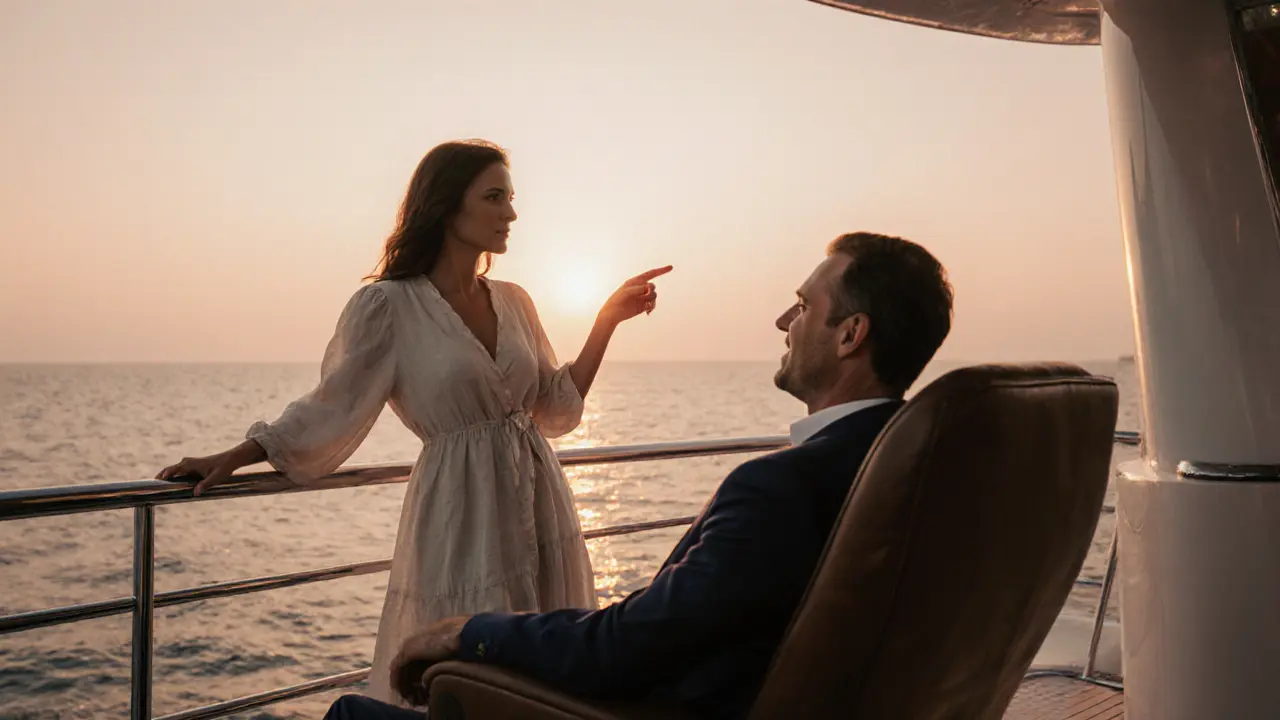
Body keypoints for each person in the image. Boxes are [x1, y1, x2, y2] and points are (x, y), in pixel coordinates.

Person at [320, 231, 954, 720]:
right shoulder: (915, 470)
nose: (784, 325)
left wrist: (471, 632)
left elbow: (626, 650)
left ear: (850, 335)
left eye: (801, 307)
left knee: (354, 712)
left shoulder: (779, 490)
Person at [155, 139, 672, 704]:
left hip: (539, 498)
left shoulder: (516, 300)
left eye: (512, 197)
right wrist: (240, 453)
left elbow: (552, 405)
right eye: (495, 197)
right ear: (448, 206)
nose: (512, 213)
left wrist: (604, 322)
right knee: (459, 668)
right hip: (460, 514)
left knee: (543, 669)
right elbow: (331, 405)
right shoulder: (387, 307)